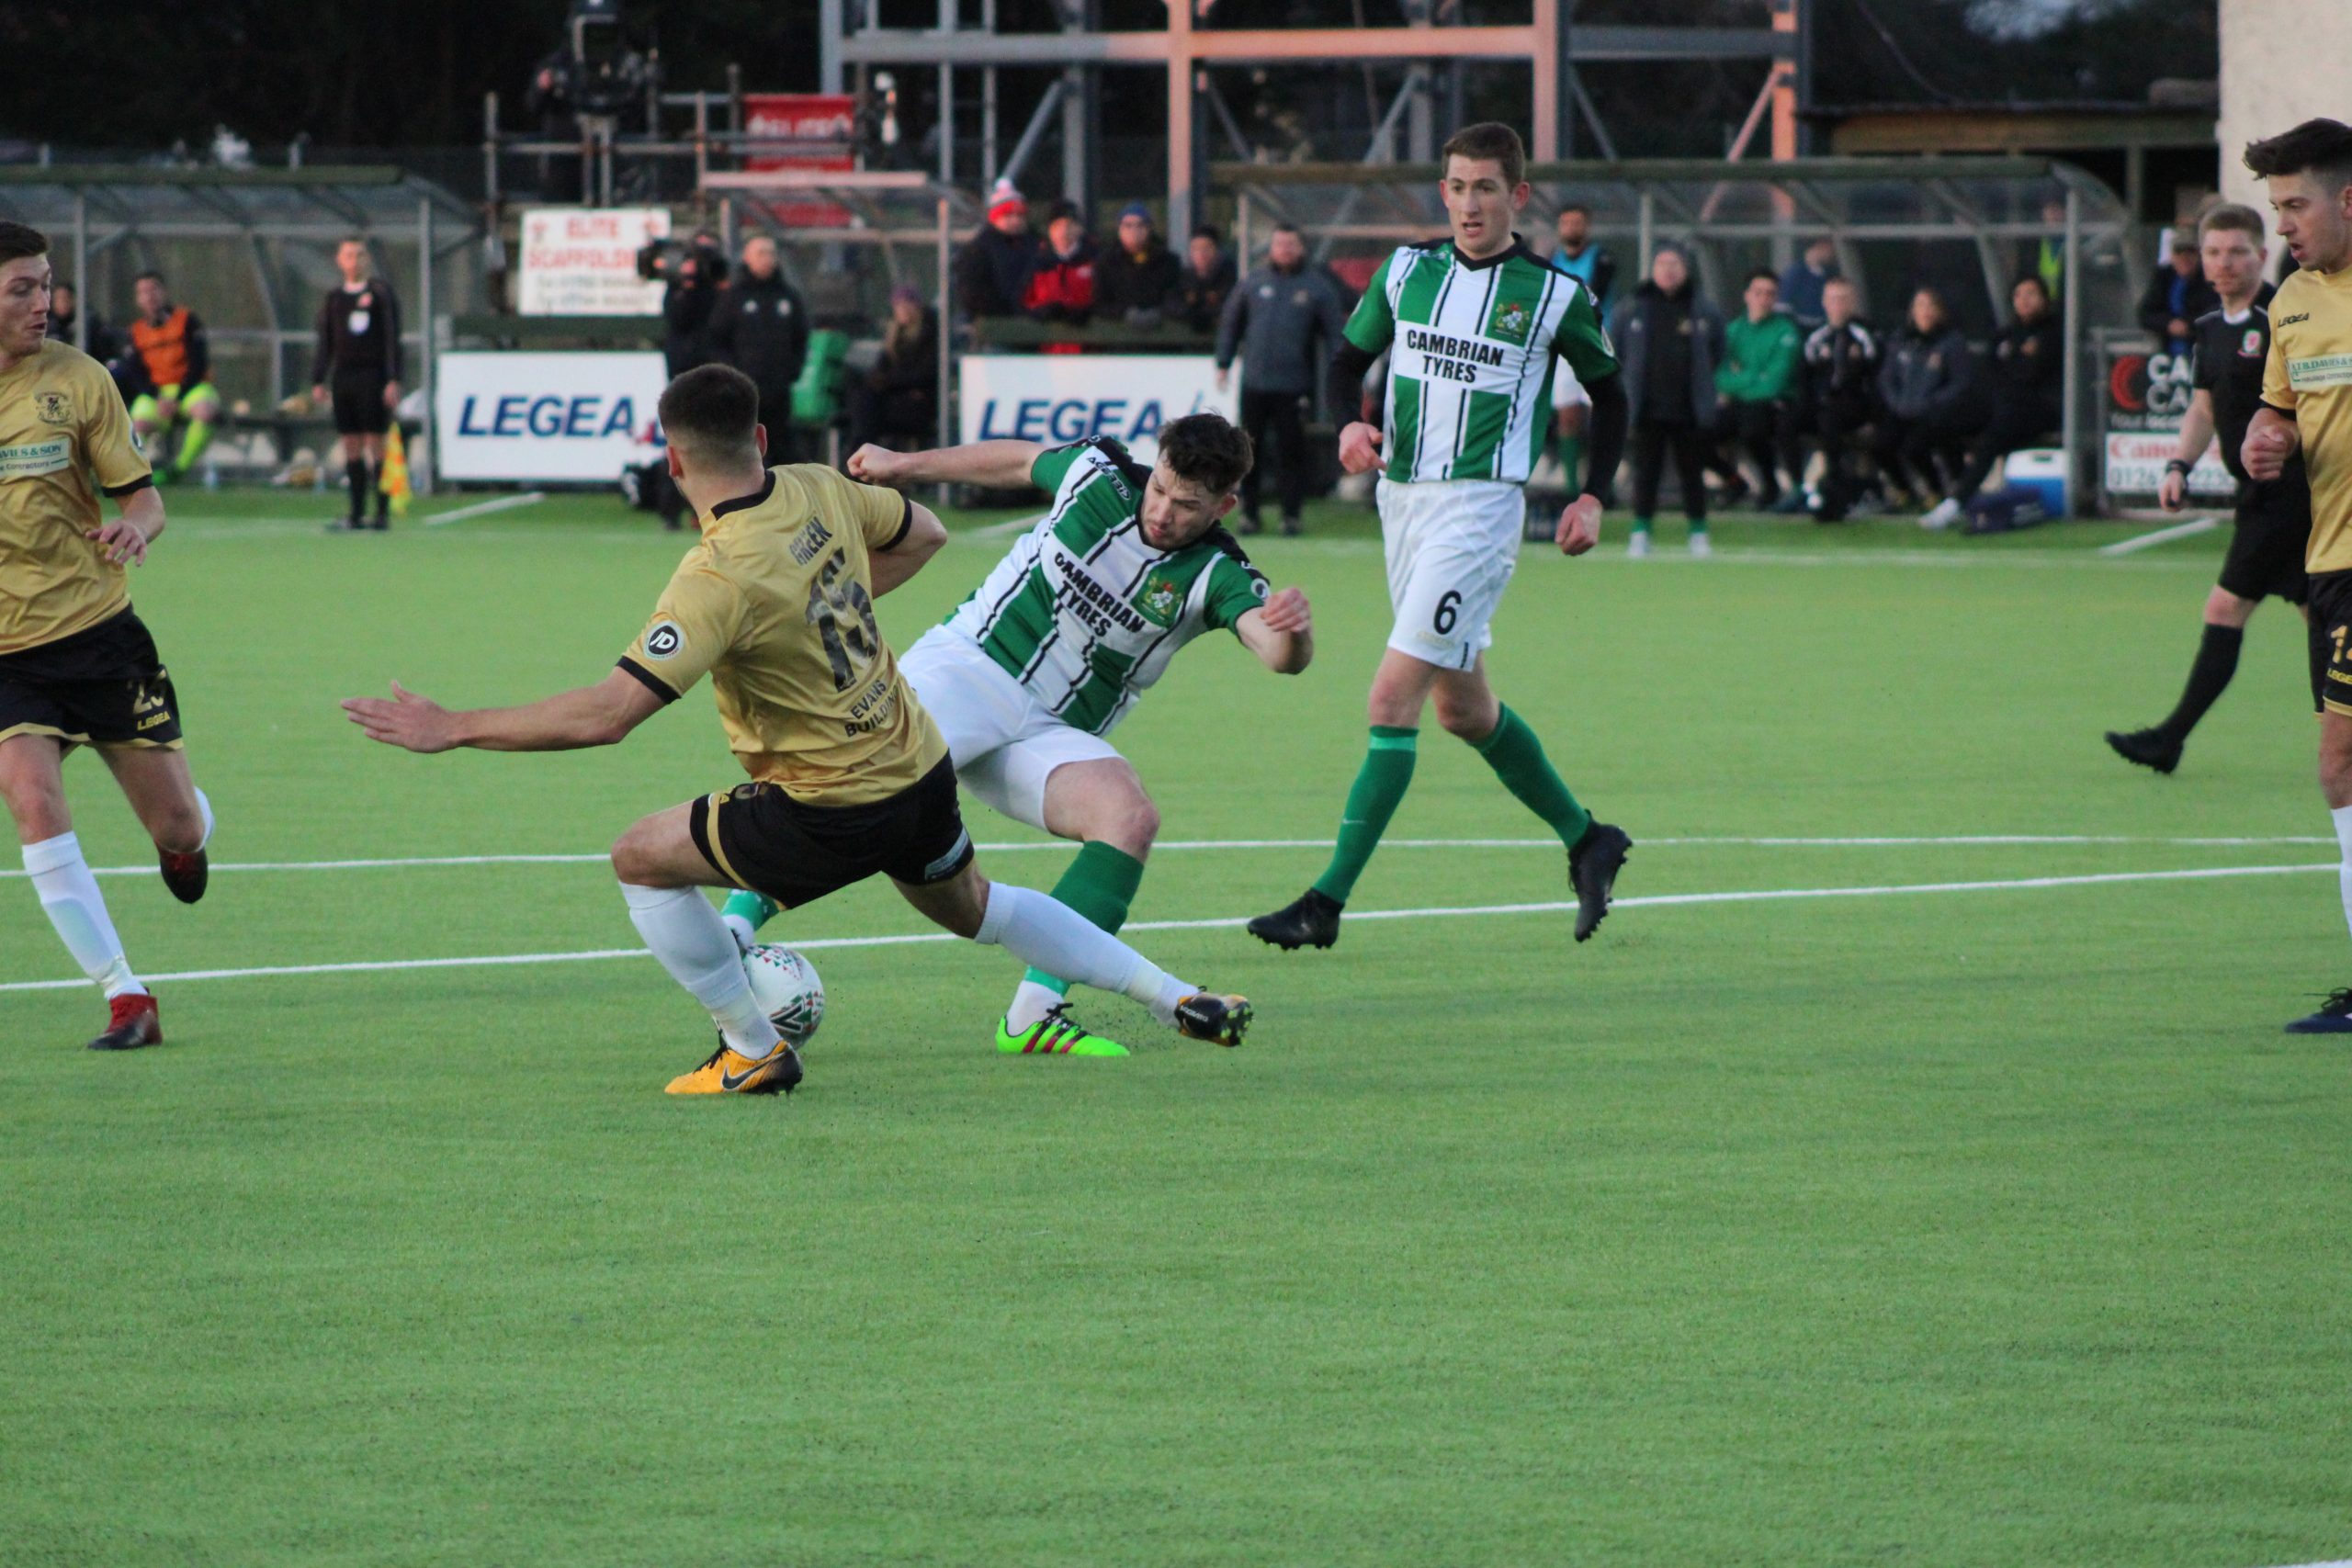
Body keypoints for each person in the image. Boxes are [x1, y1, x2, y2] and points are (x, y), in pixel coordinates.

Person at [343, 364, 1252, 1093]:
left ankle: (750, 1046)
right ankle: (1173, 995)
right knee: (985, 910)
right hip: (920, 769)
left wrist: (453, 726)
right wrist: (834, 602)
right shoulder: (821, 489)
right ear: (763, 440)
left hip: (830, 806)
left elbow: (609, 714)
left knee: (639, 858)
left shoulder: (717, 578)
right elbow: (926, 530)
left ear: (672, 463)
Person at [726, 416, 1308, 1056]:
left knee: (1129, 817)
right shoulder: (1098, 476)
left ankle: (1034, 1012)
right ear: (1157, 463)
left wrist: (1293, 631)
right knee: (857, 785)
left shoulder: (1215, 572)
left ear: (1223, 505)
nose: (1164, 511)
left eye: (1188, 505)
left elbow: (1277, 651)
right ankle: (736, 925)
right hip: (969, 668)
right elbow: (1014, 462)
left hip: (1052, 732)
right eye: (1162, 489)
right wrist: (903, 462)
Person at [1247, 121, 1633, 953]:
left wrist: (1594, 496)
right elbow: (1348, 364)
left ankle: (1325, 904)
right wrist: (1351, 426)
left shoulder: (1556, 294)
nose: (1467, 203)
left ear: (1517, 197)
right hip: (1404, 506)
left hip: (1479, 513)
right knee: (1464, 709)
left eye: (1485, 187)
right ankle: (1588, 838)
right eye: (1455, 186)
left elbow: (1614, 396)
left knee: (1392, 699)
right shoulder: (1407, 271)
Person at [0, 222, 215, 1052]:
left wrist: (136, 531)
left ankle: (192, 834)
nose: (42, 304)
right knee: (32, 797)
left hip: (98, 636)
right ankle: (127, 996)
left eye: (46, 284)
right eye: (21, 288)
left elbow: (144, 499)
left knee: (178, 831)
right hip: (10, 658)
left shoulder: (82, 380)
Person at [2108, 203, 2309, 777]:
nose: (2224, 263)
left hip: (2292, 490)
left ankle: (2169, 738)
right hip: (2258, 496)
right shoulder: (2207, 327)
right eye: (2213, 252)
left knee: (2227, 607)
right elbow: (2202, 408)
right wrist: (2177, 464)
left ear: (2259, 254)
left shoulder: (2284, 318)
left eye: (2237, 252)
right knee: (2320, 618)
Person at [2237, 119, 2352, 1033]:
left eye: (2293, 205)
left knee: (2340, 761)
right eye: (2275, 207)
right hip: (2330, 566)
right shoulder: (2291, 304)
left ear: (2346, 198)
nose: (2282, 224)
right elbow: (2277, 414)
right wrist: (2262, 438)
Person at [1216, 223, 1347, 536]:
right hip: (1255, 383)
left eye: (1290, 244)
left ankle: (1291, 515)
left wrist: (1342, 372)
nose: (1284, 250)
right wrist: (1224, 362)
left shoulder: (1315, 287)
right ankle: (1248, 513)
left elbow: (1333, 335)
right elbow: (1231, 323)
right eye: (1279, 244)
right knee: (1249, 452)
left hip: (1294, 385)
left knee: (1292, 451)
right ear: (1271, 248)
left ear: (1301, 248)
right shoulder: (1253, 283)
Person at [1925, 274, 2064, 529]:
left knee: (1992, 437)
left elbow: (2031, 375)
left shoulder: (2054, 333)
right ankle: (1959, 489)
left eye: (2032, 294)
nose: (2025, 301)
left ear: (2044, 299)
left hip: (2038, 410)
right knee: (1943, 421)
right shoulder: (2005, 334)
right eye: (2019, 295)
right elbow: (1991, 371)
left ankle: (1956, 503)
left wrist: (2014, 367)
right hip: (2001, 405)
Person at [1612, 244, 1725, 557]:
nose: (1668, 270)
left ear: (1685, 269)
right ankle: (1641, 532)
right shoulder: (1633, 306)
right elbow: (1618, 348)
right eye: (1662, 263)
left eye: (1674, 263)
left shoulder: (1702, 308)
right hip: (1647, 407)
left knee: (1693, 472)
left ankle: (1698, 534)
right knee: (1646, 472)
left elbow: (1717, 349)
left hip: (1689, 407)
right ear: (1653, 269)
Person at [310, 236, 404, 534]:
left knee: (375, 443)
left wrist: (393, 379)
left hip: (373, 377)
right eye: (349, 255)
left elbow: (392, 338)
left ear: (367, 260)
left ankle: (381, 513)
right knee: (350, 444)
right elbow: (326, 340)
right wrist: (318, 378)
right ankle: (355, 513)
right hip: (344, 378)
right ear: (340, 261)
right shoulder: (335, 298)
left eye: (360, 255)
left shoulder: (379, 293)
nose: (355, 260)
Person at [1872, 287, 1979, 512]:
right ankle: (1904, 491)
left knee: (1915, 447)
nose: (1926, 311)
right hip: (1903, 409)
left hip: (1936, 413)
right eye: (1920, 306)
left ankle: (1935, 490)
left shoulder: (1951, 342)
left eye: (1931, 306)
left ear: (1941, 311)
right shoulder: (1901, 340)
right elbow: (1887, 378)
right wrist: (1896, 402)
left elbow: (1961, 383)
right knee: (1880, 445)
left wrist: (1934, 402)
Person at [707, 234, 809, 463]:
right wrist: (733, 374)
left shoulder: (787, 297)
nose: (767, 259)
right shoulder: (734, 297)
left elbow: (800, 338)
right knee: (745, 443)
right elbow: (716, 339)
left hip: (779, 389)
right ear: (747, 258)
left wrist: (792, 370)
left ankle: (784, 493)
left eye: (771, 253)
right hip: (744, 389)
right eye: (761, 253)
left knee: (780, 444)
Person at [1712, 267, 1804, 511]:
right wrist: (1753, 377)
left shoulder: (1786, 332)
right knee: (1697, 433)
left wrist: (1739, 380)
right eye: (1758, 292)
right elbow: (1719, 377)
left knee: (1753, 428)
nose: (1764, 299)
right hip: (1742, 404)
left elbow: (1775, 383)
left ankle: (1771, 486)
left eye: (1770, 294)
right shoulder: (1732, 331)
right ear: (1747, 295)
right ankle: (1735, 482)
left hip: (1773, 406)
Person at [125, 272, 221, 484]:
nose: (149, 296)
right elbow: (136, 374)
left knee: (205, 411)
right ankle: (135, 477)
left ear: (164, 292)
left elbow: (198, 364)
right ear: (137, 299)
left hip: (191, 388)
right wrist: (158, 397)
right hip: (157, 393)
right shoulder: (136, 331)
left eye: (153, 290)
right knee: (136, 425)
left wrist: (178, 397)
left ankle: (178, 470)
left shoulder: (186, 320)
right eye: (143, 292)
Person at [1799, 277, 1881, 522]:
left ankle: (1836, 490)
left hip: (1854, 407)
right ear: (1824, 302)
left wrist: (1874, 415)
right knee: (1786, 422)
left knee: (1831, 421)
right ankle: (1801, 489)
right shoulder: (1816, 337)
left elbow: (1875, 379)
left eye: (1843, 299)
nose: (1838, 304)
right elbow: (1804, 377)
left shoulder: (1864, 336)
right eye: (1833, 299)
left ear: (1852, 302)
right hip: (1822, 406)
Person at [843, 284, 938, 455]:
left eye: (904, 305)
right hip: (895, 399)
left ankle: (856, 460)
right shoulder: (894, 338)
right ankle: (858, 457)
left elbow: (924, 375)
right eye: (897, 306)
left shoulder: (929, 335)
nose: (900, 310)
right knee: (864, 401)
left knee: (867, 410)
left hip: (918, 405)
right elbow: (881, 369)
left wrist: (889, 381)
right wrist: (882, 381)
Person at [639, 228, 727, 378]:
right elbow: (676, 320)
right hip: (683, 360)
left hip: (714, 357)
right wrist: (687, 285)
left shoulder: (720, 282)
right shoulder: (678, 285)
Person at [954, 185, 1036, 321]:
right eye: (1008, 215)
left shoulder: (1035, 243)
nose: (1016, 221)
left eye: (1020, 215)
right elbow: (971, 291)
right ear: (995, 218)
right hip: (994, 324)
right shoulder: (979, 249)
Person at [1093, 203, 1182, 327]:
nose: (1134, 230)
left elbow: (1174, 298)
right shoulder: (1106, 262)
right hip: (1118, 338)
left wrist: (1159, 312)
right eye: (1127, 225)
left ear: (1149, 228)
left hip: (1162, 336)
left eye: (1141, 225)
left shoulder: (1168, 261)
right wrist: (1124, 312)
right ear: (1119, 229)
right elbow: (1100, 303)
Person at [2138, 232, 2221, 358]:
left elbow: (2216, 312)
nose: (2184, 257)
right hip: (2167, 354)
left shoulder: (2210, 280)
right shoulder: (2164, 277)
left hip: (2202, 353)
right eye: (2179, 252)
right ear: (2172, 256)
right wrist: (2168, 324)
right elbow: (2145, 313)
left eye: (2190, 252)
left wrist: (2188, 325)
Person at [1023, 202, 1099, 325]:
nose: (1064, 231)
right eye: (1057, 226)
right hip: (1048, 341)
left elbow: (1105, 300)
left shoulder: (1095, 260)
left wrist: (1086, 312)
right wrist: (1040, 312)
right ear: (1049, 231)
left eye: (1069, 225)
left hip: (1089, 340)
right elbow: (1023, 302)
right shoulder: (1038, 263)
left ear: (1080, 229)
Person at [1550, 204, 1617, 312]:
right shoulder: (1554, 260)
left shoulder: (1601, 259)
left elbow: (1595, 296)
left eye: (1576, 223)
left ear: (1587, 226)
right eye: (1565, 223)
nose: (1570, 228)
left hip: (1594, 327)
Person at [1170, 224, 1236, 334]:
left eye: (1207, 248)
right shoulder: (1182, 278)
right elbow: (1171, 304)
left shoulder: (1227, 277)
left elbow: (1230, 305)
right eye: (1195, 248)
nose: (1201, 254)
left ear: (1217, 250)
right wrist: (1191, 312)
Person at [1778, 237, 1840, 332]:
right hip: (1800, 331)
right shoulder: (1795, 273)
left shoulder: (1827, 275)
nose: (1832, 252)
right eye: (1829, 247)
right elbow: (1783, 308)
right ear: (1820, 246)